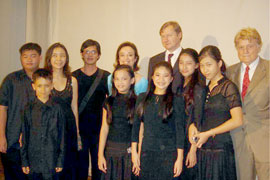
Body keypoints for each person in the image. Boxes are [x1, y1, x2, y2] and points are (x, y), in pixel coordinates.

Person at [189, 45, 243, 180]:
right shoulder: (204, 89)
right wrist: (192, 126)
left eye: (209, 64)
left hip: (221, 150)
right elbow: (200, 118)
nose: (205, 69)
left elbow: (238, 120)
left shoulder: (228, 87)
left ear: (219, 63)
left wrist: (209, 133)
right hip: (204, 149)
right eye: (202, 66)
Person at [226, 27, 269, 180]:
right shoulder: (229, 72)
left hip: (265, 140)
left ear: (259, 46)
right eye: (241, 47)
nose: (245, 51)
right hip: (238, 140)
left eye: (250, 46)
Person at [132, 61, 185, 180]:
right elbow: (136, 128)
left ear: (171, 79)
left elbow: (180, 130)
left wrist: (179, 158)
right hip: (147, 153)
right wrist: (135, 154)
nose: (161, 79)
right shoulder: (142, 97)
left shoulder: (177, 100)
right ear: (152, 77)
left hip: (169, 154)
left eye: (166, 76)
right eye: (157, 75)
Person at [0, 42, 42, 180]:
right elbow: (3, 108)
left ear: (40, 58)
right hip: (12, 139)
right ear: (21, 58)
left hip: (38, 143)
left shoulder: (46, 79)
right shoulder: (11, 80)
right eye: (25, 56)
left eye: (33, 56)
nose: (29, 59)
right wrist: (1, 136)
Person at [72, 39, 110, 180]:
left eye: (93, 51)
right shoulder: (73, 76)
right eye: (86, 51)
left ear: (99, 55)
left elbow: (111, 102)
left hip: (99, 129)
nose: (90, 55)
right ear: (81, 54)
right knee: (80, 168)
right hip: (79, 129)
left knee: (98, 167)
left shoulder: (106, 77)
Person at [20, 68, 65, 180]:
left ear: (51, 86)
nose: (43, 89)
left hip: (51, 160)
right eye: (39, 86)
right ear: (33, 86)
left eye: (46, 85)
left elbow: (62, 136)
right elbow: (25, 136)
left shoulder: (57, 109)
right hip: (33, 161)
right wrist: (24, 161)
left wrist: (60, 160)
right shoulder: (28, 109)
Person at [44, 43, 80, 180]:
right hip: (50, 128)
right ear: (49, 58)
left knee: (68, 165)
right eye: (55, 55)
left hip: (69, 128)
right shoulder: (43, 79)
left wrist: (77, 133)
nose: (59, 59)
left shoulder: (73, 81)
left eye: (62, 55)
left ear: (67, 58)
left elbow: (74, 107)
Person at [98, 65, 137, 180]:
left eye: (124, 79)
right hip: (111, 150)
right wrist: (100, 155)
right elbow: (104, 129)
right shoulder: (108, 101)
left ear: (132, 80)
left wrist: (136, 153)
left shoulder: (138, 101)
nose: (120, 82)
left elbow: (140, 130)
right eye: (117, 79)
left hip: (129, 151)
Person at [176, 48, 205, 180]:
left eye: (188, 63)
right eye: (181, 63)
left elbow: (198, 120)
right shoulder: (179, 86)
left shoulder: (198, 87)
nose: (184, 67)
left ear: (196, 65)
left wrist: (193, 150)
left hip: (191, 143)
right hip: (181, 140)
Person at [148, 21, 183, 93]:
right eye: (163, 36)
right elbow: (150, 88)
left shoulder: (190, 59)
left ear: (179, 35)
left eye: (169, 35)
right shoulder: (154, 60)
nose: (165, 39)